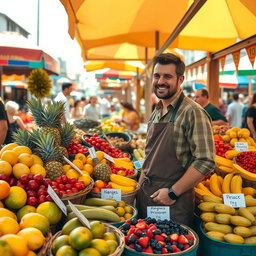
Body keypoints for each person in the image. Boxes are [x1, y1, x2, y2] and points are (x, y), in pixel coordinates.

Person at [136, 53, 215, 226]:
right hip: (147, 197)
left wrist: (172, 193)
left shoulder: (192, 112)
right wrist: (138, 187)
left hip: (173, 203)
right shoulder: (157, 111)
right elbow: (149, 157)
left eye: (167, 76)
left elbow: (205, 160)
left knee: (168, 249)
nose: (160, 81)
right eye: (157, 76)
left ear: (180, 80)